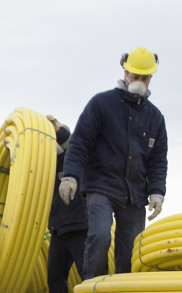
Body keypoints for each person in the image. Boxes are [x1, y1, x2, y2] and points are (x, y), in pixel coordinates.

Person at [60, 47, 169, 279]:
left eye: (145, 78)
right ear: (125, 72)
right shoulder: (102, 104)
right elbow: (79, 142)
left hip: (135, 192)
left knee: (131, 250)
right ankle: (93, 290)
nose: (139, 81)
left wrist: (157, 191)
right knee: (100, 236)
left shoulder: (155, 117)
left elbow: (158, 160)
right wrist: (70, 175)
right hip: (101, 185)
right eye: (135, 76)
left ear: (151, 78)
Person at [43, 114, 86, 293]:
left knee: (87, 270)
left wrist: (58, 128)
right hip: (58, 228)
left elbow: (70, 141)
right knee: (55, 273)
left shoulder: (74, 158)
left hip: (78, 224)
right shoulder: (50, 165)